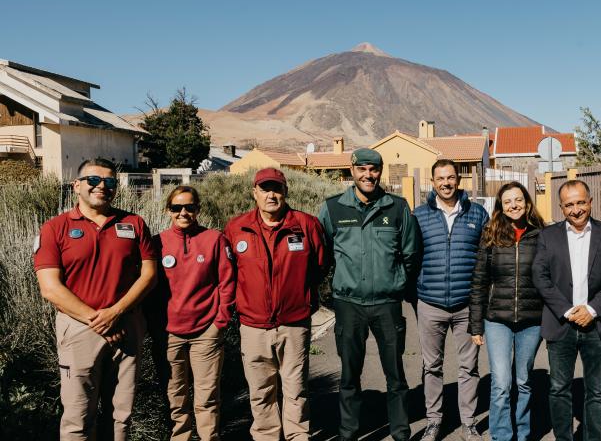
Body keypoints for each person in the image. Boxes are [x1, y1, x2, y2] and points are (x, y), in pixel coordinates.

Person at [35, 158, 158, 441]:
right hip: (79, 329)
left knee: (121, 417)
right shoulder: (56, 228)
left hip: (126, 326)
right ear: (76, 186)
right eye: (93, 180)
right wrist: (100, 319)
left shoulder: (133, 223)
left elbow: (149, 276)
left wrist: (116, 312)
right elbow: (50, 288)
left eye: (109, 181)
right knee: (78, 418)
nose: (101, 186)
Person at [318, 148, 421, 441]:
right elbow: (322, 254)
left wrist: (397, 282)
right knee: (349, 375)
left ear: (380, 171)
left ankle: (401, 432)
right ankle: (348, 432)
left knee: (396, 374)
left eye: (373, 169)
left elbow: (411, 254)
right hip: (349, 305)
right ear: (352, 170)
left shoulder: (397, 208)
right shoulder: (333, 208)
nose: (368, 175)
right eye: (362, 169)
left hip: (387, 304)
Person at [223, 168, 328, 441]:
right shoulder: (236, 228)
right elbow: (229, 273)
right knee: (260, 392)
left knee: (296, 389)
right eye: (265, 188)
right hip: (253, 326)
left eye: (277, 188)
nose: (271, 194)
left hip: (294, 325)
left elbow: (320, 266)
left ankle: (297, 436)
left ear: (286, 192)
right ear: (254, 193)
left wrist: (301, 298)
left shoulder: (306, 225)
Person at [532, 180, 601, 441]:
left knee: (596, 390)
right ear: (561, 207)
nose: (576, 209)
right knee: (559, 388)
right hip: (560, 324)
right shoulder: (547, 236)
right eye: (569, 204)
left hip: (597, 326)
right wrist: (566, 310)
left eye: (580, 202)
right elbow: (540, 277)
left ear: (590, 202)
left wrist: (593, 309)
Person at [413, 159, 489, 441]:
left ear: (459, 180)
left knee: (469, 366)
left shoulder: (477, 214)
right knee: (431, 366)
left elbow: (486, 258)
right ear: (432, 183)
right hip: (430, 305)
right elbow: (410, 258)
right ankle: (434, 421)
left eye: (451, 178)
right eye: (440, 178)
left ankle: (468, 423)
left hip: (466, 306)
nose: (446, 183)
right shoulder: (419, 215)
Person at [155, 186, 236, 441]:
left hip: (206, 333)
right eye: (177, 207)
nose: (183, 212)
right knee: (176, 396)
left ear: (198, 209)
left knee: (207, 397)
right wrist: (156, 325)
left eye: (190, 207)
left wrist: (219, 322)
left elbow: (227, 282)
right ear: (168, 210)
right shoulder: (157, 242)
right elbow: (149, 288)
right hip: (169, 334)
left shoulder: (215, 240)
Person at [469, 181, 545, 441]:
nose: (514, 205)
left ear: (527, 202)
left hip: (532, 320)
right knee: (501, 383)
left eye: (518, 200)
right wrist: (476, 325)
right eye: (507, 201)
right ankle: (501, 436)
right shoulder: (490, 234)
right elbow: (479, 281)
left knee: (523, 382)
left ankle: (522, 434)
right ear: (500, 207)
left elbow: (550, 278)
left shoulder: (541, 234)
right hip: (497, 320)